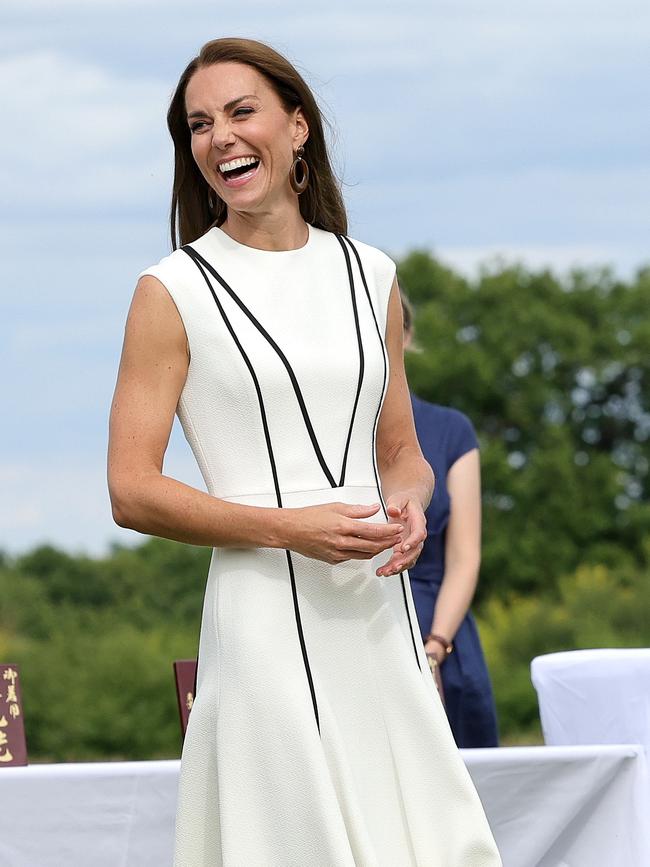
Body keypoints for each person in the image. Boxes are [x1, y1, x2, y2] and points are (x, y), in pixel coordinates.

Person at [108, 37, 501, 866]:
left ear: (297, 127)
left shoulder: (373, 276)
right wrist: (291, 527)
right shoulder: (171, 291)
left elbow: (401, 449)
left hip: (375, 613)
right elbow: (131, 490)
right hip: (260, 624)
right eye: (199, 125)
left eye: (241, 112)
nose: (220, 138)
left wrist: (407, 498)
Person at [402, 293, 499, 748]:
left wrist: (435, 646)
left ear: (405, 336)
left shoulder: (451, 429)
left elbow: (464, 558)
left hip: (439, 633)